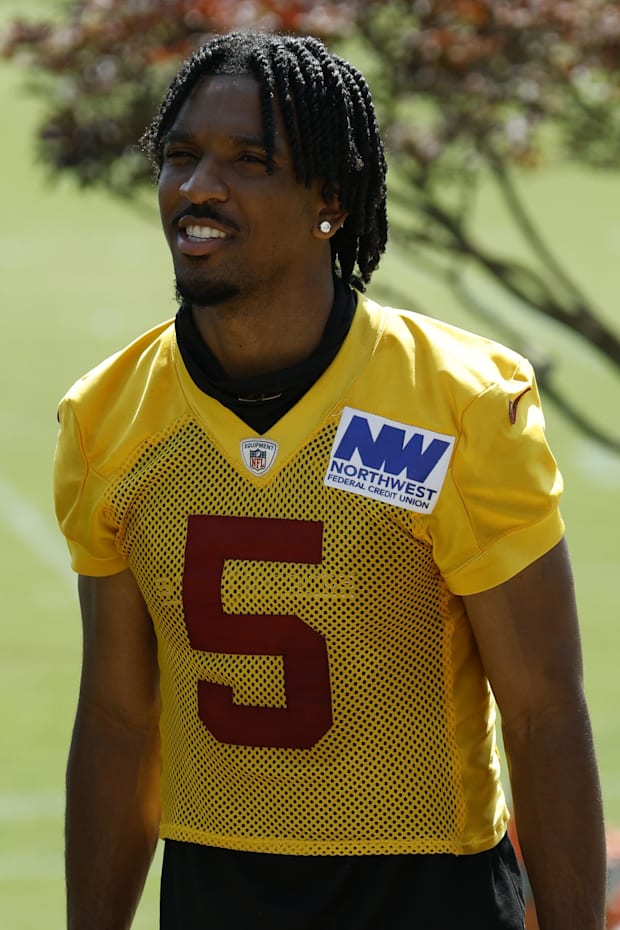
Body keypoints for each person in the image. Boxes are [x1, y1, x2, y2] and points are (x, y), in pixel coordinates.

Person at [53, 31, 606, 930]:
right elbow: (119, 719)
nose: (198, 188)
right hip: (215, 897)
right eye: (182, 157)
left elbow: (541, 712)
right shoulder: (108, 414)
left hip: (428, 897)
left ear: (331, 202)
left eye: (248, 161)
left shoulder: (456, 402)